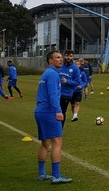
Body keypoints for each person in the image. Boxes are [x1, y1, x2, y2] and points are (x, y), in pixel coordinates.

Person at [35, 50, 72, 184]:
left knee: (45, 143)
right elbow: (52, 95)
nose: (61, 59)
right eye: (57, 57)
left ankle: (42, 173)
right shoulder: (52, 74)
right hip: (49, 110)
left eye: (61, 57)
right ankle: (56, 176)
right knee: (57, 143)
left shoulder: (47, 73)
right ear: (50, 60)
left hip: (40, 110)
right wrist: (58, 111)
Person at [58, 50, 83, 122]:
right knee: (53, 112)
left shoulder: (75, 69)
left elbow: (77, 82)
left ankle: (59, 130)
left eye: (70, 56)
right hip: (56, 92)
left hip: (66, 94)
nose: (68, 57)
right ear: (64, 56)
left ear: (72, 57)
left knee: (62, 112)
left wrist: (67, 81)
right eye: (67, 55)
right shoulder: (60, 66)